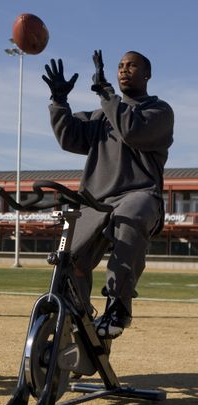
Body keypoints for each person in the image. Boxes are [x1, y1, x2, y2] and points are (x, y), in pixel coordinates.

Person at [42, 50, 174, 338]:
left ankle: (118, 307)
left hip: (139, 195)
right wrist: (59, 101)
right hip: (96, 200)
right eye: (120, 66)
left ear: (147, 74)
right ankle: (80, 322)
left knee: (130, 216)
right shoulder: (102, 116)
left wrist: (106, 94)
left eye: (132, 66)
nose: (125, 70)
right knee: (69, 257)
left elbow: (131, 131)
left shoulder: (159, 111)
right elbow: (69, 137)